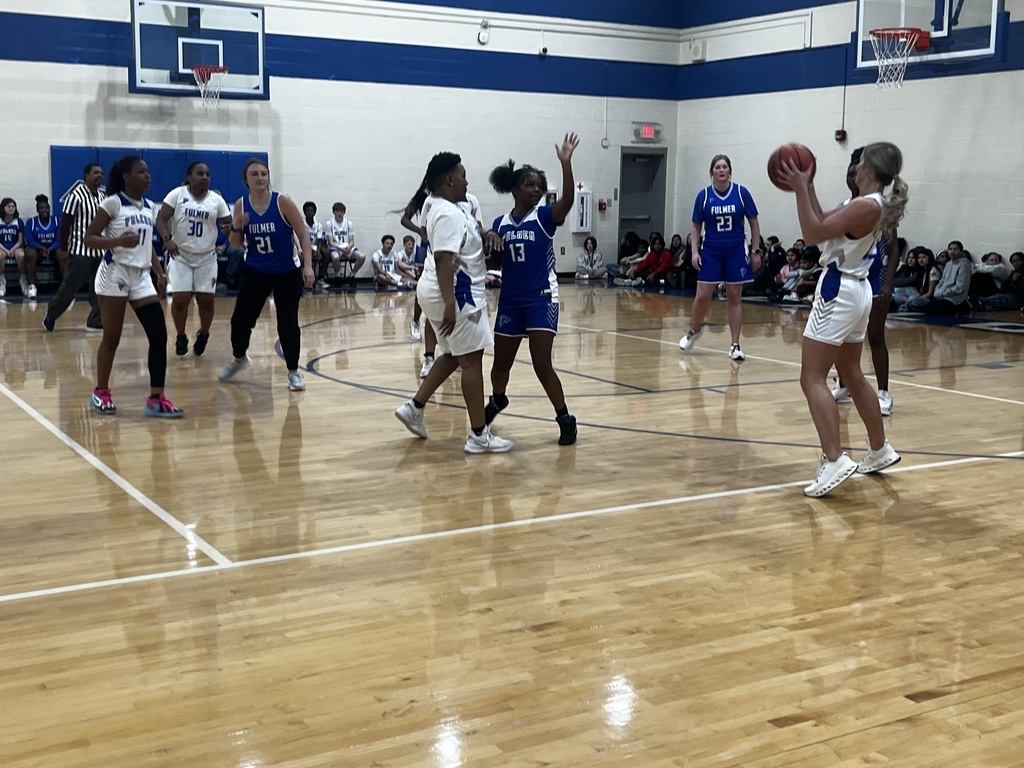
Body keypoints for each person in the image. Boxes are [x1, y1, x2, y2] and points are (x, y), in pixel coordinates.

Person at [776, 141, 906, 497]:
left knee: (812, 377)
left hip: (839, 290)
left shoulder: (867, 205)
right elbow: (822, 223)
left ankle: (834, 459)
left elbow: (812, 234)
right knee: (850, 371)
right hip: (856, 290)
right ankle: (879, 449)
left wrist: (800, 189)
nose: (855, 167)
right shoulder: (864, 203)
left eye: (860, 162)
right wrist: (809, 186)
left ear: (869, 170)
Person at [393, 151, 512, 453]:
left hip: (441, 291)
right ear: (449, 179)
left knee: (451, 355)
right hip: (456, 295)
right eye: (463, 175)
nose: (466, 181)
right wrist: (450, 304)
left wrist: (486, 234)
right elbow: (444, 259)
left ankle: (415, 407)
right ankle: (478, 436)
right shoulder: (445, 213)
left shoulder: (445, 206)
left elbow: (468, 234)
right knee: (472, 362)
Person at [484, 132, 580, 446]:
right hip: (510, 300)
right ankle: (498, 399)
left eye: (540, 185)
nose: (536, 189)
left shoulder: (544, 217)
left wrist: (566, 164)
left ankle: (565, 417)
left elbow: (566, 201)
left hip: (542, 297)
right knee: (500, 365)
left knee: (542, 364)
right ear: (515, 189)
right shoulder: (499, 224)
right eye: (530, 185)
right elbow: (492, 262)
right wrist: (489, 241)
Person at [82, 155, 182, 418]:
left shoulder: (150, 206)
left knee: (159, 334)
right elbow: (89, 238)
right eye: (141, 172)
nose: (148, 176)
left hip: (141, 277)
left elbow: (146, 244)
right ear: (126, 176)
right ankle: (100, 391)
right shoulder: (112, 203)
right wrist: (116, 242)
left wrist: (159, 273)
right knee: (112, 338)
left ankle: (156, 399)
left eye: (148, 172)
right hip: (114, 273)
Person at [218, 158, 315, 391]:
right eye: (254, 174)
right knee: (240, 321)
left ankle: (293, 372)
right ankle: (239, 358)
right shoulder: (241, 205)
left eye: (264, 173)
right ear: (246, 180)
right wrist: (236, 226)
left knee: (287, 323)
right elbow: (235, 243)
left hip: (286, 271)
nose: (260, 177)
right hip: (256, 269)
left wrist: (308, 266)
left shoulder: (282, 202)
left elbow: (303, 234)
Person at [830, 147, 901, 416]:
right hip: (846, 279)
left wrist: (887, 285)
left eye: (856, 170)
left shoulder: (878, 207)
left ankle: (883, 392)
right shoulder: (844, 207)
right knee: (839, 339)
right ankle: (845, 385)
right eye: (849, 172)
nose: (852, 175)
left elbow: (893, 250)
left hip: (873, 279)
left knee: (875, 335)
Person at [679, 154, 762, 361]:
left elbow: (754, 223)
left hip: (735, 250)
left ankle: (735, 345)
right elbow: (696, 227)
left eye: (725, 166)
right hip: (711, 251)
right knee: (702, 296)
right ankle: (694, 329)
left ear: (730, 170)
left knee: (734, 297)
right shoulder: (704, 196)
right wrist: (695, 251)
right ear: (712, 172)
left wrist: (755, 250)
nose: (722, 170)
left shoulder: (741, 193)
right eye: (718, 167)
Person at [155, 162, 232, 357]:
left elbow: (228, 224)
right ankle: (181, 336)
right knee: (181, 299)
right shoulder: (177, 194)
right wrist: (167, 239)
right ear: (189, 177)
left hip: (206, 257)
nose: (205, 177)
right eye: (200, 173)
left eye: (207, 174)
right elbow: (161, 219)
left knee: (206, 301)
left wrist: (230, 229)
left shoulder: (216, 200)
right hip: (180, 255)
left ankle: (204, 333)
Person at [43, 163, 105, 331]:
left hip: (100, 250)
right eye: (96, 173)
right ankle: (51, 313)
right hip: (80, 250)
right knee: (71, 286)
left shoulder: (102, 197)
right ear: (86, 175)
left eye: (101, 173)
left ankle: (95, 321)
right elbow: (65, 225)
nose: (99, 175)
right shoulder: (75, 196)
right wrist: (63, 250)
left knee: (99, 287)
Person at [25, 194, 60, 293]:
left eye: (46, 208)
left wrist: (50, 249)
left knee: (63, 253)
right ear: (37, 210)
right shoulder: (31, 222)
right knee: (29, 253)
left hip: (52, 251)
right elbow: (29, 241)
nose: (44, 210)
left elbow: (59, 241)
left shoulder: (57, 221)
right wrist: (41, 248)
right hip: (38, 251)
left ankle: (66, 287)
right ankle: (32, 286)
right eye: (41, 208)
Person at [327, 202, 366, 281]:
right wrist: (340, 248)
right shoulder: (329, 223)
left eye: (341, 211)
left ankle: (352, 275)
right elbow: (331, 242)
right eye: (337, 211)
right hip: (336, 247)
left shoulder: (348, 223)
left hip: (347, 246)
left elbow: (352, 241)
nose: (339, 213)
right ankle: (338, 276)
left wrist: (349, 246)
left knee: (362, 256)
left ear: (344, 212)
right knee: (335, 257)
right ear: (333, 212)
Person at [0, 198, 26, 297]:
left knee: (22, 255)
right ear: (3, 208)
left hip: (15, 247)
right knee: (0, 255)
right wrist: (6, 250)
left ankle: (23, 279)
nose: (11, 209)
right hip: (2, 247)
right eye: (9, 206)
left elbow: (20, 241)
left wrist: (12, 249)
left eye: (13, 207)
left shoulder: (18, 222)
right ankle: (2, 281)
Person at [301, 201, 330, 289]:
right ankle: (305, 280)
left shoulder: (318, 225)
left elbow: (319, 240)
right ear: (304, 212)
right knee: (303, 255)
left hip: (315, 245)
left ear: (315, 212)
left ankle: (321, 278)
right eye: (308, 211)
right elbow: (301, 239)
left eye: (312, 211)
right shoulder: (301, 224)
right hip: (303, 246)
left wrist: (318, 251)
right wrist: (311, 251)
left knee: (326, 253)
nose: (310, 212)